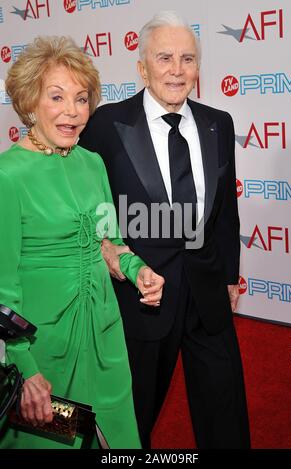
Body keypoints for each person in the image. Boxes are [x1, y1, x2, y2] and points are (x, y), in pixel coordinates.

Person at [79, 11, 250, 449]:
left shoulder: (219, 121)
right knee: (132, 420)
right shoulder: (105, 124)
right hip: (143, 296)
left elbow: (225, 210)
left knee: (225, 411)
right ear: (142, 67)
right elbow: (92, 208)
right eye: (165, 57)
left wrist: (230, 274)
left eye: (188, 58)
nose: (177, 69)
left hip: (208, 291)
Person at [0, 35, 164, 449]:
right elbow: (2, 294)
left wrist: (137, 270)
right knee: (57, 441)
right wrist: (26, 370)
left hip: (105, 338)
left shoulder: (93, 164)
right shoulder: (8, 177)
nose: (72, 112)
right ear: (29, 101)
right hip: (44, 352)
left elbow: (112, 243)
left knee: (121, 444)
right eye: (56, 97)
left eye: (81, 98)